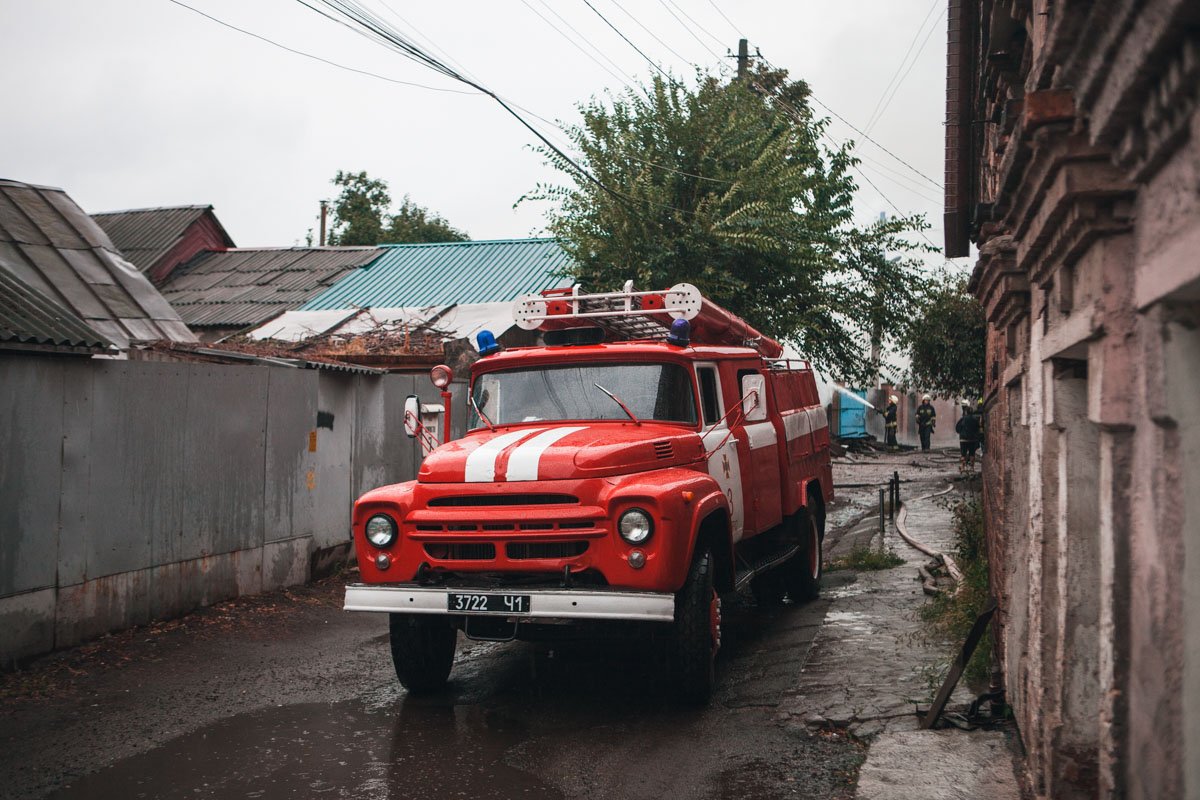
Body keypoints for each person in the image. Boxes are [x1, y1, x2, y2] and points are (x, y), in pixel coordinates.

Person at [956, 402, 982, 473]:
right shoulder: (975, 420)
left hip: (963, 439)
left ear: (966, 412)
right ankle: (972, 468)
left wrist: (961, 433)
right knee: (972, 453)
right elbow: (978, 429)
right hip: (972, 440)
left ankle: (963, 467)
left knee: (963, 454)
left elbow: (957, 428)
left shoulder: (963, 419)